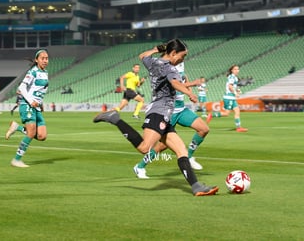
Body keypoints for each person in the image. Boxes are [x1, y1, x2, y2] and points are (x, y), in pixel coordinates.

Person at [93, 39, 219, 196]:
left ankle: (196, 186)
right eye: (182, 55)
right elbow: (175, 83)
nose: (183, 59)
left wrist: (156, 49)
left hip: (164, 114)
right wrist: (189, 93)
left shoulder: (153, 62)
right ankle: (115, 118)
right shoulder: (171, 69)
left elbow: (142, 55)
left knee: (181, 151)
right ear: (173, 53)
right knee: (145, 148)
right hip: (159, 112)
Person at [133, 62, 209, 179]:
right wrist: (193, 83)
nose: (182, 60)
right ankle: (140, 166)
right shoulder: (167, 70)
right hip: (169, 111)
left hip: (181, 109)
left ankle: (188, 156)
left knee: (203, 129)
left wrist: (190, 94)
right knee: (162, 146)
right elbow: (174, 84)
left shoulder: (182, 72)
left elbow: (184, 84)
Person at [5, 49, 49, 168]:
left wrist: (40, 103)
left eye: (46, 58)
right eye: (42, 58)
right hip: (27, 105)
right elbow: (21, 88)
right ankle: (16, 160)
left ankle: (17, 127)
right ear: (36, 60)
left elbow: (39, 91)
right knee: (31, 133)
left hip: (36, 107)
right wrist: (31, 101)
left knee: (42, 136)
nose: (45, 60)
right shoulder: (32, 72)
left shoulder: (45, 72)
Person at [206, 64, 248, 132]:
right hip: (229, 97)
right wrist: (235, 93)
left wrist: (238, 90)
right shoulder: (231, 77)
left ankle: (239, 127)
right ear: (232, 70)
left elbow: (234, 86)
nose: (237, 70)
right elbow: (230, 86)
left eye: (238, 69)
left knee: (237, 111)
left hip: (232, 98)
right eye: (235, 69)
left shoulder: (235, 77)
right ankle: (212, 115)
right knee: (226, 113)